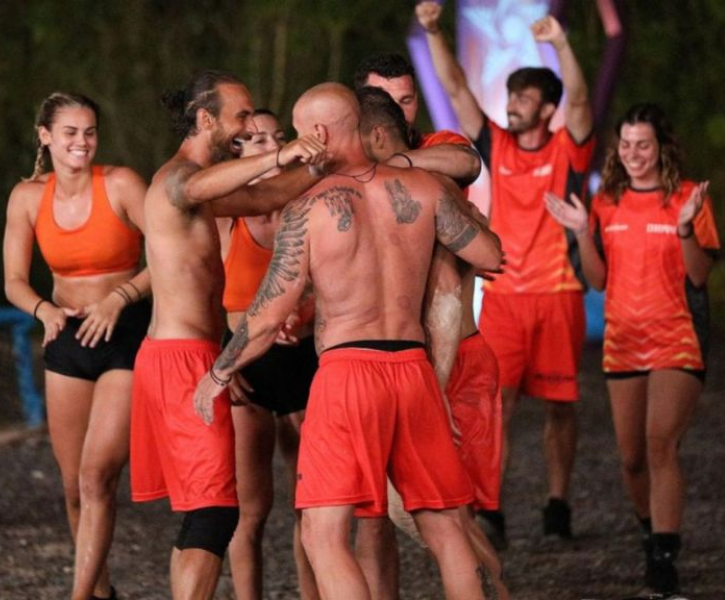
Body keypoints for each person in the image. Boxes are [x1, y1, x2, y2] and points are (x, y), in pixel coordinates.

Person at [193, 82, 503, 600]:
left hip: (348, 374)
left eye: (298, 132)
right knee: (447, 528)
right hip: (414, 369)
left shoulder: (307, 207)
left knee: (323, 533)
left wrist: (219, 372)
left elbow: (267, 316)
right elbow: (491, 255)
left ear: (317, 133)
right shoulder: (425, 188)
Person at [129, 70, 325, 600]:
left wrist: (319, 164)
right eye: (240, 117)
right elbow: (194, 187)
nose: (246, 127)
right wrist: (279, 154)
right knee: (215, 513)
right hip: (179, 360)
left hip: (187, 353)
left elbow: (266, 198)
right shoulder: (176, 180)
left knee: (204, 511)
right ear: (205, 119)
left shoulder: (205, 190)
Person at [417, 1, 596, 544]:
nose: (512, 104)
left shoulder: (568, 148)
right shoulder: (496, 144)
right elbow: (455, 89)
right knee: (499, 404)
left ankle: (558, 503)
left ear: (546, 109)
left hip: (559, 293)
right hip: (505, 295)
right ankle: (490, 509)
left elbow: (581, 100)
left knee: (561, 406)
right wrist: (433, 30)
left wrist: (560, 43)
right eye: (512, 96)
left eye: (523, 98)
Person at [544, 102, 718, 596]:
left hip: (677, 336)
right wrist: (582, 231)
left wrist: (685, 227)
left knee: (661, 443)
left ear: (661, 148)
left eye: (643, 144)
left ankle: (664, 556)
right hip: (623, 340)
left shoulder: (688, 197)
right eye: (626, 144)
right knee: (632, 459)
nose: (634, 153)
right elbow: (598, 280)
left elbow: (699, 275)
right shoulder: (607, 202)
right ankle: (649, 532)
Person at [358, 86, 509, 600]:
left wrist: (434, 391)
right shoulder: (381, 186)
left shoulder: (426, 180)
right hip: (415, 370)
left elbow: (447, 291)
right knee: (424, 516)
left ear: (378, 135)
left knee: (440, 517)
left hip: (448, 367)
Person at [3, 92, 150, 600]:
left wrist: (120, 298)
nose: (82, 142)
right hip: (66, 336)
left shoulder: (122, 184)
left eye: (90, 132)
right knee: (72, 489)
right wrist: (44, 310)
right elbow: (13, 281)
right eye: (70, 132)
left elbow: (172, 255)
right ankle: (102, 591)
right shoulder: (26, 197)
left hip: (125, 333)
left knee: (96, 477)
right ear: (45, 136)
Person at [219, 109, 320, 600]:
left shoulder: (308, 204)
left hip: (305, 359)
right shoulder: (224, 214)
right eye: (257, 139)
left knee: (312, 504)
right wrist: (219, 362)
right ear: (235, 150)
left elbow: (335, 281)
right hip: (248, 365)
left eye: (278, 137)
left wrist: (300, 308)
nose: (272, 146)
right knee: (250, 509)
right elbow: (197, 292)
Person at [353, 51, 481, 188]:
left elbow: (470, 163)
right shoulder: (348, 158)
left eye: (406, 101)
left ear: (416, 100)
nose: (398, 112)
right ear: (360, 105)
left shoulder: (438, 144)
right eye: (386, 103)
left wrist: (397, 163)